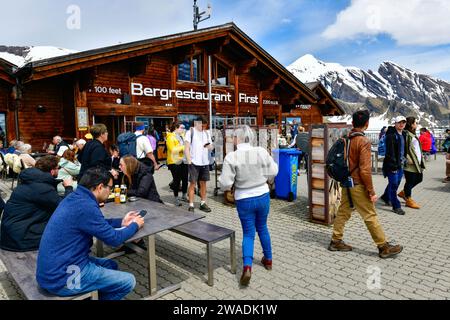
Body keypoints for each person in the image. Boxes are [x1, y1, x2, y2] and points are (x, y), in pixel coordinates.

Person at [36, 167, 144, 300]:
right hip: (63, 279)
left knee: (111, 265)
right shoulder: (86, 206)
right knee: (128, 281)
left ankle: (99, 294)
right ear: (100, 187)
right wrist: (135, 225)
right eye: (110, 188)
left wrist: (122, 222)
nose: (110, 191)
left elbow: (98, 223)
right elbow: (114, 239)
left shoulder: (76, 197)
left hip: (52, 271)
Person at [328, 110, 403, 259]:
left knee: (343, 212)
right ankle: (383, 246)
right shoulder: (363, 141)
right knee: (370, 215)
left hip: (346, 182)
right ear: (367, 124)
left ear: (353, 123)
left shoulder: (347, 138)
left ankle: (336, 241)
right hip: (357, 184)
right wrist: (371, 191)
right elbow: (365, 170)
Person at [219, 125, 278, 286]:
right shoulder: (260, 151)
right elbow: (273, 171)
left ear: (237, 139)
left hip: (244, 198)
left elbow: (225, 183)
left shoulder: (232, 157)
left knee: (248, 233)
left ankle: (247, 266)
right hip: (262, 195)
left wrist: (229, 185)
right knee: (263, 228)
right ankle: (268, 259)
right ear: (251, 137)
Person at [0, 156, 73, 252]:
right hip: (20, 239)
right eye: (58, 168)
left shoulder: (31, 181)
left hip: (10, 234)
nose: (58, 170)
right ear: (52, 171)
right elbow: (66, 207)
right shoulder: (42, 188)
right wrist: (69, 188)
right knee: (71, 230)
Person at [185, 116, 214, 213]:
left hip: (204, 162)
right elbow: (186, 148)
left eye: (205, 126)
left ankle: (202, 203)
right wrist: (189, 161)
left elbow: (211, 147)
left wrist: (209, 146)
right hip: (194, 162)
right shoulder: (190, 132)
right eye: (202, 126)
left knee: (203, 184)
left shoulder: (206, 133)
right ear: (197, 123)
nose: (204, 128)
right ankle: (191, 204)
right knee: (192, 183)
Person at [381, 116, 407, 215]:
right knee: (394, 186)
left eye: (403, 122)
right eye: (399, 122)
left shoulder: (403, 134)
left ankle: (386, 197)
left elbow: (403, 149)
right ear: (395, 124)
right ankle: (396, 206)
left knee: (395, 183)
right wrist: (393, 166)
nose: (401, 124)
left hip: (400, 164)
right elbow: (390, 153)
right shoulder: (391, 135)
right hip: (393, 165)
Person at [397, 117, 425, 209]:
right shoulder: (407, 135)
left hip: (416, 162)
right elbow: (403, 148)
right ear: (411, 124)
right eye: (415, 123)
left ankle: (404, 192)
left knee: (419, 178)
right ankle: (408, 199)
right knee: (410, 181)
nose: (416, 124)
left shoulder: (412, 134)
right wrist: (408, 158)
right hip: (410, 163)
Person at [166, 122, 189, 206]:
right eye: (181, 128)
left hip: (184, 160)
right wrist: (184, 147)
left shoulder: (182, 136)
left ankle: (184, 195)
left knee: (185, 179)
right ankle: (176, 198)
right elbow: (173, 150)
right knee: (177, 180)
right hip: (174, 162)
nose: (183, 129)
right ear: (176, 128)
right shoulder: (170, 137)